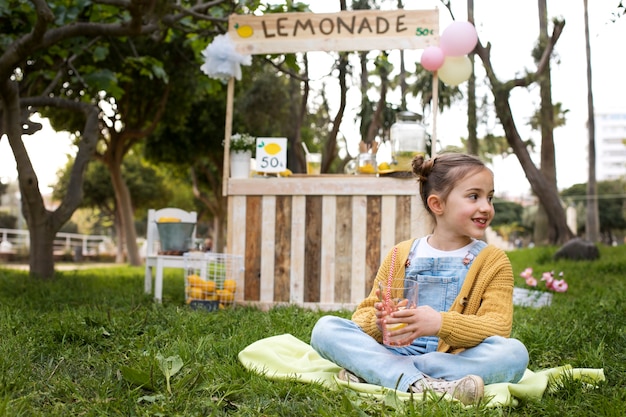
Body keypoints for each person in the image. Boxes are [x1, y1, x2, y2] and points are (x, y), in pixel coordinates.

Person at [310, 152, 529, 405]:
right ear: (438, 204)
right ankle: (432, 384)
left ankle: (382, 373)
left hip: (452, 356)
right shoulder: (399, 255)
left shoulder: (493, 260)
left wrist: (439, 323)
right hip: (392, 349)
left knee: (514, 353)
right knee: (325, 329)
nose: (486, 207)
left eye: (489, 198)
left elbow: (498, 326)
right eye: (474, 196)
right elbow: (362, 316)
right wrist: (380, 324)